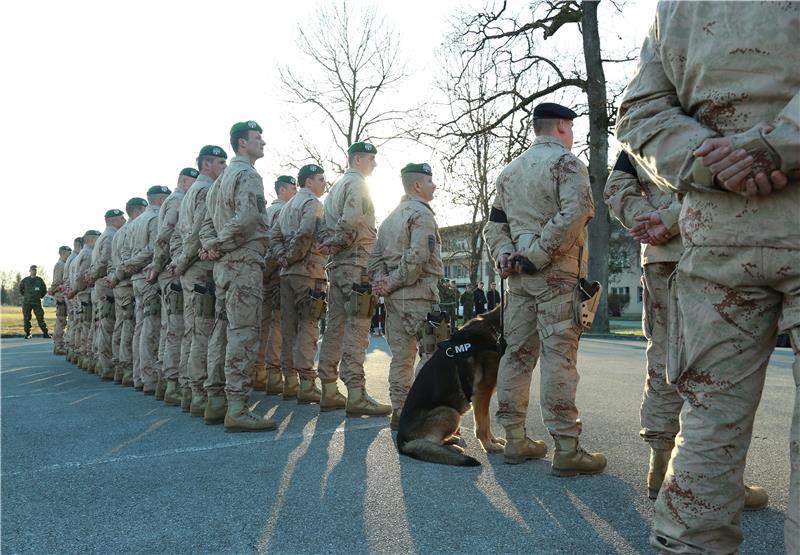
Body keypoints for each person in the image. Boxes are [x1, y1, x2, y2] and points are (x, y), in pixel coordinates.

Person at [615, 4, 798, 552]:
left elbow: (640, 112)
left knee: (708, 423)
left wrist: (709, 162)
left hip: (716, 232)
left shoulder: (678, 5)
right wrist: (770, 148)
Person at [605, 150, 768, 509]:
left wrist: (646, 221)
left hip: (660, 255)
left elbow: (616, 185)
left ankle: (659, 467)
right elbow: (725, 179)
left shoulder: (651, 120)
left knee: (662, 355)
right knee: (718, 360)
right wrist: (668, 219)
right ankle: (715, 482)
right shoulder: (710, 108)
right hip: (710, 246)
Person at [484, 102, 604, 473]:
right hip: (556, 275)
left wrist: (506, 256)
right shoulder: (567, 164)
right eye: (571, 130)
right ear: (562, 128)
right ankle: (566, 446)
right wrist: (536, 255)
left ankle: (516, 439)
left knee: (516, 354)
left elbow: (494, 225)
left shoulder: (509, 173)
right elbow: (576, 213)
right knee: (559, 357)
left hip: (518, 280)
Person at [199, 120, 276, 432]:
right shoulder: (247, 174)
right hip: (243, 261)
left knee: (222, 332)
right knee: (242, 333)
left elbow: (204, 224)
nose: (264, 142)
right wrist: (218, 243)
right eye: (258, 138)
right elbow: (247, 218)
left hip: (224, 265)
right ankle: (237, 407)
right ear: (242, 144)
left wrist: (212, 245)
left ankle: (216, 401)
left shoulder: (219, 181)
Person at [317, 142, 391, 416]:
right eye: (371, 158)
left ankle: (328, 388)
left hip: (337, 267)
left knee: (334, 327)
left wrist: (331, 244)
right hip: (357, 262)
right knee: (357, 329)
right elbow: (349, 221)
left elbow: (324, 226)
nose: (375, 164)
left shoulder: (335, 187)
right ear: (357, 159)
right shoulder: (358, 184)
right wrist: (338, 241)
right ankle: (356, 393)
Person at [368, 162, 443, 429]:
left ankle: (400, 411)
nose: (435, 185)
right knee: (432, 355)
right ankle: (423, 416)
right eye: (430, 180)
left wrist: (382, 281)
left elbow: (374, 258)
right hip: (418, 294)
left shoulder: (389, 219)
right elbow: (418, 257)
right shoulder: (421, 215)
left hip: (394, 299)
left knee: (401, 358)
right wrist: (391, 281)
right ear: (417, 185)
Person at [172, 145, 227, 416]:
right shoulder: (205, 190)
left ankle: (189, 392)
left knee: (192, 332)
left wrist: (179, 261)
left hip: (191, 268)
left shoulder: (191, 192)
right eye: (219, 162)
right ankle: (200, 394)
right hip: (200, 269)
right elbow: (196, 234)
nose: (224, 168)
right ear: (206, 165)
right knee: (204, 333)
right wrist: (183, 261)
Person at [271, 163, 327, 405]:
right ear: (308, 182)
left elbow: (273, 235)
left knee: (288, 328)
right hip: (308, 272)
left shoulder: (287, 206)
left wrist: (283, 257)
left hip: (287, 275)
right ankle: (306, 383)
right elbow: (305, 233)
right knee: (308, 327)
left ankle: (290, 382)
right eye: (320, 179)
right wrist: (292, 255)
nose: (324, 183)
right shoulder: (312, 203)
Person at [148, 167, 197, 406]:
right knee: (177, 329)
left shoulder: (173, 200)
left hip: (169, 267)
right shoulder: (178, 200)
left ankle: (164, 383)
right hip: (173, 268)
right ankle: (172, 384)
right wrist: (157, 265)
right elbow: (165, 234)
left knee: (171, 328)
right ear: (185, 181)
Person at [122, 186, 170, 393]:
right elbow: (154, 248)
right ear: (160, 201)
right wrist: (136, 264)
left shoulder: (133, 224)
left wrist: (129, 265)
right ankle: (150, 377)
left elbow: (126, 252)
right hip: (148, 276)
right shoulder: (154, 218)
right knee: (152, 328)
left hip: (137, 278)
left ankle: (140, 375)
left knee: (141, 328)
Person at [257, 175, 297, 396]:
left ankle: (260, 373)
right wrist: (270, 271)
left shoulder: (268, 212)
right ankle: (274, 376)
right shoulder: (283, 211)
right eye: (292, 188)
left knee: (263, 327)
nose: (295, 191)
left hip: (263, 273)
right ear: (282, 190)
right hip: (274, 274)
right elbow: (274, 246)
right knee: (279, 326)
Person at [106, 198, 148, 385]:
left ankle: (124, 370)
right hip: (129, 281)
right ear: (139, 211)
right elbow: (126, 259)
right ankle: (129, 370)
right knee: (132, 326)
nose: (122, 220)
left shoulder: (120, 232)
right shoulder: (132, 228)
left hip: (123, 281)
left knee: (124, 325)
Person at [88, 209, 126, 380]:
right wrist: (95, 274)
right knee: (108, 326)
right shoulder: (110, 236)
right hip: (106, 283)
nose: (124, 220)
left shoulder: (103, 237)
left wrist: (91, 275)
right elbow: (104, 262)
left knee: (103, 326)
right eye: (121, 218)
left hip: (100, 284)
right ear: (113, 220)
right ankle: (107, 365)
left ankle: (103, 363)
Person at [67, 231, 101, 369]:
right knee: (88, 325)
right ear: (92, 240)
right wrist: (77, 289)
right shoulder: (87, 254)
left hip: (80, 293)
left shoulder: (80, 255)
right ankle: (87, 356)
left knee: (82, 324)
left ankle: (81, 355)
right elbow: (82, 276)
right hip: (85, 293)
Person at [62, 237, 82, 362]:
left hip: (71, 292)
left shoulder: (71, 258)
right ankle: (75, 349)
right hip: (74, 292)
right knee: (79, 323)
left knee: (74, 322)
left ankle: (71, 349)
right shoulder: (76, 258)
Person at [49, 246, 71, 353]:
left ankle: (61, 344)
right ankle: (58, 345)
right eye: (67, 253)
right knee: (61, 320)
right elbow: (57, 282)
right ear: (62, 253)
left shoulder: (64, 264)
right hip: (60, 296)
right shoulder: (60, 265)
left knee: (63, 320)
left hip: (63, 295)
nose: (69, 254)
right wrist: (53, 290)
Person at [19, 265, 49, 339]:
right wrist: (26, 296)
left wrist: (39, 296)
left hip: (37, 302)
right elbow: (20, 289)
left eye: (35, 270)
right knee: (26, 318)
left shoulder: (39, 280)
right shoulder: (25, 280)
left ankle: (45, 333)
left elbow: (44, 290)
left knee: (40, 317)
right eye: (32, 270)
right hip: (27, 303)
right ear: (29, 271)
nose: (34, 271)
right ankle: (27, 333)